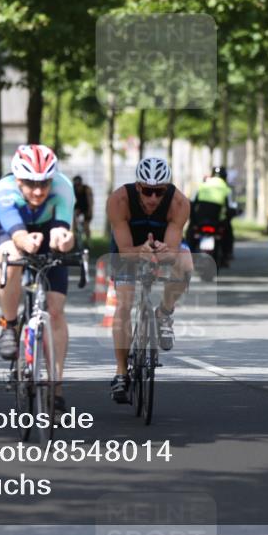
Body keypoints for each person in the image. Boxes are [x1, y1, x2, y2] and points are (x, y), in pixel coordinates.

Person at [0, 144, 75, 414]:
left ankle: (56, 387)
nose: (38, 191)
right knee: (11, 255)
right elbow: (17, 235)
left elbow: (62, 229)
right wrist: (26, 240)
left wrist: (64, 240)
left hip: (47, 228)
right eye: (30, 183)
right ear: (17, 180)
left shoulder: (63, 188)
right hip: (14, 230)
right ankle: (9, 325)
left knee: (56, 310)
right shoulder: (4, 190)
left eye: (44, 183)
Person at [106, 156, 192, 403]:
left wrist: (165, 254)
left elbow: (173, 250)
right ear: (138, 186)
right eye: (147, 191)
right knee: (124, 303)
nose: (153, 197)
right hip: (129, 246)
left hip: (162, 242)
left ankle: (164, 312)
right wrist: (139, 252)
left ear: (166, 190)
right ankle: (121, 373)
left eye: (159, 191)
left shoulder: (179, 202)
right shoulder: (119, 200)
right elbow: (124, 250)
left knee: (186, 264)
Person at [190, 166, 236, 266]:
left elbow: (192, 203)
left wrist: (193, 221)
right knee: (228, 231)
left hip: (200, 219)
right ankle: (226, 255)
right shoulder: (226, 189)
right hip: (216, 221)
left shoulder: (202, 186)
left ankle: (188, 254)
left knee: (190, 232)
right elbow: (230, 207)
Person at [72, 175, 94, 245]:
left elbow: (90, 201)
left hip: (86, 208)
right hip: (77, 208)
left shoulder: (87, 189)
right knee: (74, 225)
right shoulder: (72, 189)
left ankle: (88, 241)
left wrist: (90, 211)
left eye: (79, 185)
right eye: (76, 185)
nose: (77, 187)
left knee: (86, 226)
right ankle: (75, 240)